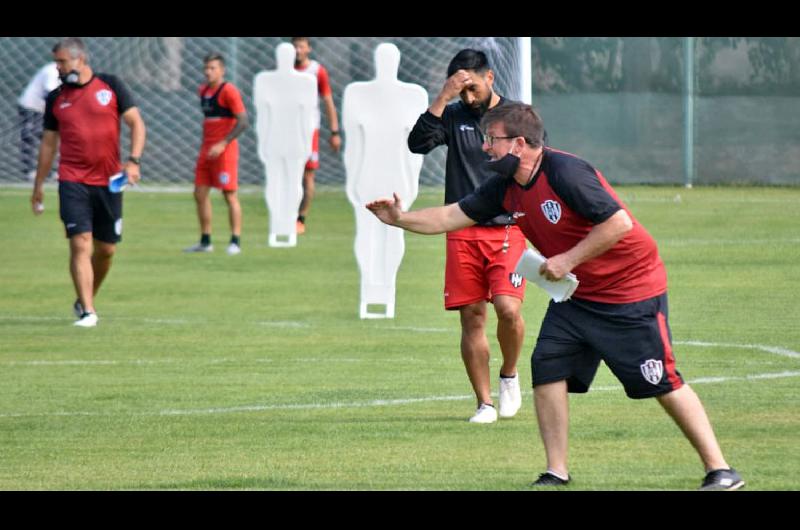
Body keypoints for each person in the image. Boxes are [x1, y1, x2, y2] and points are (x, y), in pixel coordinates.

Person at [366, 102, 744, 490]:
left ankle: (722, 471)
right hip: (578, 297)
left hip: (629, 290)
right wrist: (400, 219)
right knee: (547, 366)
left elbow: (619, 223)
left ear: (518, 144)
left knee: (660, 380)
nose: (484, 148)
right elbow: (452, 216)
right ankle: (556, 472)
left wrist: (567, 259)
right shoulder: (506, 186)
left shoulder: (565, 172)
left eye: (490, 140)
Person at [406, 49, 526, 424]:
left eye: (472, 87)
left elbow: (535, 164)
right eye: (462, 90)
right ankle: (485, 403)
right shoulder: (453, 113)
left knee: (508, 309)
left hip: (508, 227)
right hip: (461, 228)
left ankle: (509, 374)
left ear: (490, 78)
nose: (468, 97)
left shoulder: (517, 116)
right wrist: (442, 97)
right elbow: (418, 143)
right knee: (472, 317)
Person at [30, 38, 146, 328]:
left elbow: (136, 123)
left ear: (80, 59)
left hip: (108, 182)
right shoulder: (56, 98)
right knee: (80, 243)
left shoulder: (111, 85)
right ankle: (88, 312)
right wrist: (38, 185)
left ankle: (85, 299)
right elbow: (48, 144)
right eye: (56, 62)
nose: (57, 68)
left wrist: (133, 161)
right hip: (72, 179)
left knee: (106, 250)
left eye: (62, 62)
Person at [184, 52, 249, 255]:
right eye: (206, 68)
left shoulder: (229, 91)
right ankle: (205, 241)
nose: (208, 72)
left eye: (213, 68)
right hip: (206, 150)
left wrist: (224, 143)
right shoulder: (203, 90)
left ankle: (235, 241)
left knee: (229, 195)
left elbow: (243, 122)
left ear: (222, 70)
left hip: (224, 151)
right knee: (199, 193)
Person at [291, 37, 342, 234]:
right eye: (294, 46)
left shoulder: (316, 71)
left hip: (309, 130)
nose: (297, 49)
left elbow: (328, 101)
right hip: (288, 131)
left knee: (308, 175)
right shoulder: (285, 70)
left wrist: (334, 131)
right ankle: (285, 214)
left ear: (308, 49)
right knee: (288, 174)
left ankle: (300, 218)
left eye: (301, 46)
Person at [18, 61, 60, 180]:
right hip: (31, 106)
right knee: (31, 138)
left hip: (46, 109)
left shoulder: (71, 73)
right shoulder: (51, 71)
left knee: (52, 138)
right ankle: (30, 171)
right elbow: (50, 94)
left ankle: (53, 171)